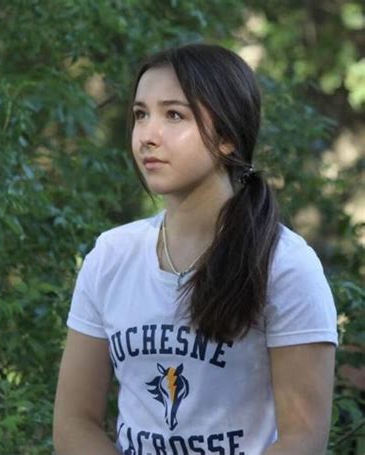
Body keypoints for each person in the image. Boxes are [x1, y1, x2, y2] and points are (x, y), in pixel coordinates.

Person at [53, 43, 338, 455]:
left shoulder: (285, 266)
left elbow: (304, 437)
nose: (148, 136)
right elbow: (74, 422)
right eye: (140, 114)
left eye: (174, 115)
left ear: (226, 137)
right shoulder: (110, 257)